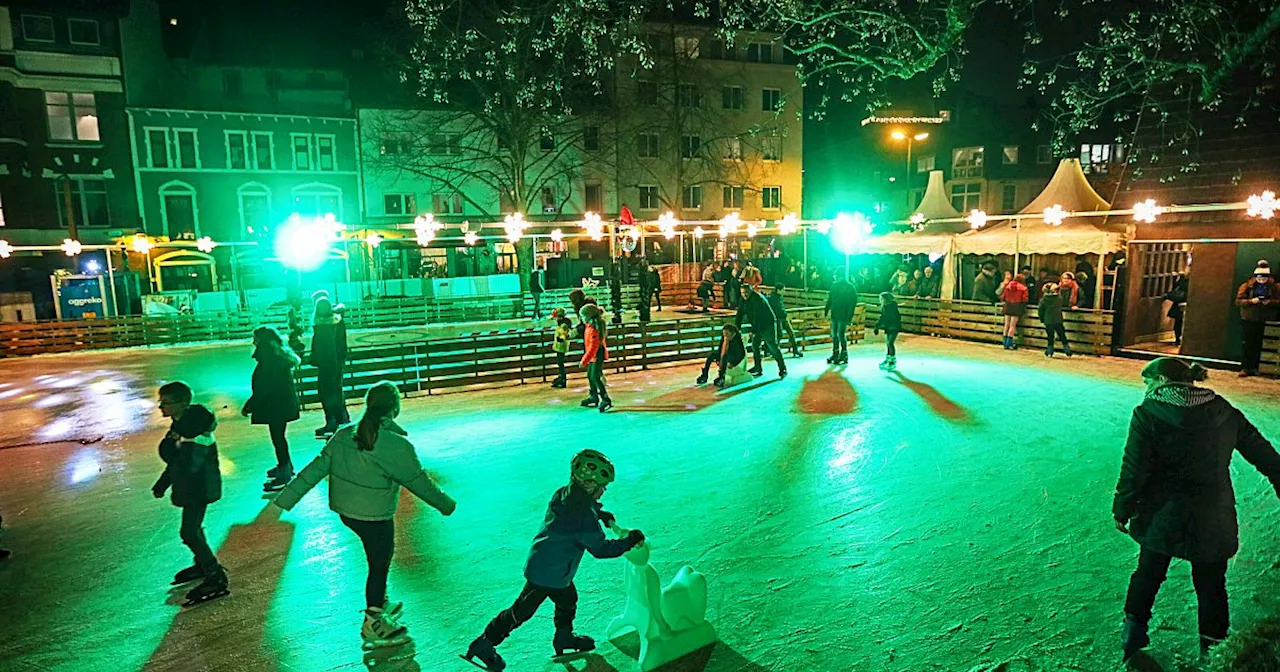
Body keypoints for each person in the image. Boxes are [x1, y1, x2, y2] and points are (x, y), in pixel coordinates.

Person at [1113, 358, 1280, 662]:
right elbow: (1263, 452)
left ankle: (1132, 635)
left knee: (1148, 574)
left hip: (1162, 514)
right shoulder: (1223, 410)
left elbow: (1134, 469)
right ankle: (1214, 652)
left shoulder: (1148, 413)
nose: (1147, 389)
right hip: (1213, 516)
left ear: (1162, 380)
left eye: (1148, 382)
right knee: (1212, 585)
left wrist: (1122, 507)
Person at [273, 382, 457, 649]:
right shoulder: (396, 445)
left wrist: (287, 498)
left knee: (377, 560)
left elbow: (315, 469)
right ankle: (374, 621)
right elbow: (419, 482)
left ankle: (380, 602)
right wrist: (446, 504)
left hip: (347, 512)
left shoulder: (344, 434)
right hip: (375, 516)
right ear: (395, 409)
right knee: (379, 564)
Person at [466, 450, 645, 672]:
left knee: (568, 600)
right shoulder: (582, 515)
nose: (603, 491)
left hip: (553, 566)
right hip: (547, 572)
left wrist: (600, 513)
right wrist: (629, 541)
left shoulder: (564, 493)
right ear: (589, 484)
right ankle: (484, 643)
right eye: (602, 487)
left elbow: (582, 506)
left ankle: (564, 638)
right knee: (521, 611)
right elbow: (600, 549)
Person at [152, 381, 228, 605]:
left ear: (183, 404)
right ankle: (203, 564)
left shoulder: (195, 432)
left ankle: (216, 575)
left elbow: (187, 464)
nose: (161, 407)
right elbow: (177, 462)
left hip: (199, 488)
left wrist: (168, 451)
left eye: (167, 402)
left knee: (189, 531)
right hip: (190, 486)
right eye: (161, 402)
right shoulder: (181, 426)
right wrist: (163, 483)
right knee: (192, 530)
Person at [245, 327, 302, 492]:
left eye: (255, 339)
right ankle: (286, 467)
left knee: (278, 438)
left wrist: (251, 404)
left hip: (276, 405)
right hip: (280, 404)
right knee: (279, 437)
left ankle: (285, 472)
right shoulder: (275, 356)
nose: (253, 342)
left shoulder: (270, 359)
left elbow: (265, 387)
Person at [311, 291, 350, 437]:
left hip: (327, 363)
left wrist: (316, 358)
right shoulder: (337, 320)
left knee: (326, 392)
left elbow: (323, 346)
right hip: (336, 362)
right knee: (336, 390)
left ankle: (332, 420)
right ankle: (342, 418)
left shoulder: (324, 325)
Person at [1234, 260, 1280, 377]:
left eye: (1264, 278)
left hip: (1264, 318)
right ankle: (1245, 367)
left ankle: (1254, 367)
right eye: (1260, 278)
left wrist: (1270, 302)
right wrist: (1251, 301)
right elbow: (1238, 301)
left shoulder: (1275, 287)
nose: (1262, 280)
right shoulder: (1247, 286)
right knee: (1247, 344)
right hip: (1249, 318)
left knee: (1258, 344)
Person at [735, 282, 787, 378]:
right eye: (742, 293)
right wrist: (736, 328)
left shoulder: (757, 299)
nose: (744, 295)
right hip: (757, 325)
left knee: (772, 345)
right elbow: (740, 314)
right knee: (755, 346)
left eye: (746, 292)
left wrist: (753, 331)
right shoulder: (743, 299)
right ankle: (758, 367)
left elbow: (757, 316)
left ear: (751, 291)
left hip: (768, 324)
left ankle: (782, 368)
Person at [579, 303, 611, 412]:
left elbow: (594, 347)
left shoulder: (594, 329)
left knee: (595, 376)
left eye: (583, 316)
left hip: (597, 354)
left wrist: (584, 360)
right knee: (590, 375)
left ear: (589, 316)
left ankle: (605, 398)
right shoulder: (589, 326)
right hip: (593, 355)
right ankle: (594, 396)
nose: (581, 319)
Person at [824, 272, 859, 364]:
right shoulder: (845, 286)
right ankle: (837, 353)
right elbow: (831, 299)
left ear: (840, 276)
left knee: (838, 334)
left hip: (840, 313)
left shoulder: (848, 287)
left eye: (836, 276)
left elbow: (852, 302)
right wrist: (827, 310)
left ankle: (842, 354)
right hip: (839, 313)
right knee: (836, 334)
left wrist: (826, 310)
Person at [767, 282, 803, 357]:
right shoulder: (772, 298)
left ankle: (795, 350)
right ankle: (772, 350)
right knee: (779, 335)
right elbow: (775, 309)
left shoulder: (779, 297)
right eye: (783, 290)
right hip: (778, 319)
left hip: (784, 318)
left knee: (791, 333)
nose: (784, 291)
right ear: (778, 290)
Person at [1038, 283, 1072, 357]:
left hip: (1048, 320)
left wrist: (1042, 319)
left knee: (1050, 336)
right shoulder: (1059, 299)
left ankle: (1050, 351)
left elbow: (1040, 310)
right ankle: (1067, 350)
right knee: (1062, 335)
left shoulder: (1043, 300)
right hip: (1058, 320)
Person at [1000, 273, 1029, 350]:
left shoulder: (1008, 286)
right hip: (1017, 307)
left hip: (1008, 306)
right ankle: (1009, 342)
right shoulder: (1024, 288)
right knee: (1012, 326)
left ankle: (1004, 342)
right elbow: (1025, 299)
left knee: (1006, 324)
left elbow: (1003, 297)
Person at [873, 292, 902, 371]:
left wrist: (893, 325)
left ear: (886, 299)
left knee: (890, 343)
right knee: (888, 343)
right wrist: (877, 327)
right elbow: (882, 317)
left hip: (894, 327)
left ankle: (892, 361)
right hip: (888, 327)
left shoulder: (892, 307)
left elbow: (896, 317)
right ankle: (888, 359)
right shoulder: (884, 307)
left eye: (881, 299)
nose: (880, 300)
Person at [1163, 274, 1188, 346]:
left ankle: (1178, 339)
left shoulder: (1184, 279)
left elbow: (1180, 287)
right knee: (1179, 321)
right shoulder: (1182, 278)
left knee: (1179, 322)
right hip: (1180, 302)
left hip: (1182, 301)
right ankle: (1178, 339)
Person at [551, 312, 571, 389]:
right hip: (559, 346)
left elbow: (564, 333)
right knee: (559, 363)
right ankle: (561, 378)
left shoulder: (563, 325)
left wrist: (561, 338)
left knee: (560, 363)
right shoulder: (561, 324)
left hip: (561, 346)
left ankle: (562, 379)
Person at [636, 259, 654, 323]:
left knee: (646, 302)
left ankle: (645, 316)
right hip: (647, 290)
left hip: (647, 290)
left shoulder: (647, 274)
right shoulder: (648, 274)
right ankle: (646, 316)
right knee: (646, 302)